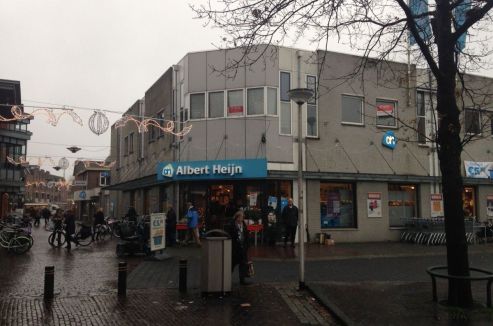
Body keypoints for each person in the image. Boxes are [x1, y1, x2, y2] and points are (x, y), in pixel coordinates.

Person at [227, 210, 251, 285]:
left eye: (242, 217)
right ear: (237, 217)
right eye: (241, 217)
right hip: (235, 248)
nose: (242, 218)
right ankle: (227, 279)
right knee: (232, 264)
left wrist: (247, 245)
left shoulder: (243, 224)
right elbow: (229, 235)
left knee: (243, 264)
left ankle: (242, 280)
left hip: (242, 247)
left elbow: (246, 235)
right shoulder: (232, 225)